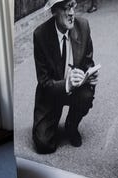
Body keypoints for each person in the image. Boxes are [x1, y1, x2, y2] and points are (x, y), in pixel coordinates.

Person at [32, 0, 99, 153]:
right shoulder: (40, 35)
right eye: (66, 8)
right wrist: (66, 84)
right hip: (51, 92)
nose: (72, 13)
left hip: (77, 89)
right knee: (43, 145)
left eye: (73, 5)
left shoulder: (83, 26)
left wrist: (91, 75)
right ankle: (52, 120)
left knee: (87, 94)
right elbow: (44, 81)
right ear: (54, 11)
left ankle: (71, 125)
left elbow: (88, 63)